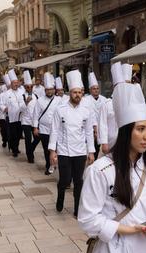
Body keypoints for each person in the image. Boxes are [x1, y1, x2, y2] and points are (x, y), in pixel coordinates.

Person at [78, 81, 146, 253]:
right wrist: (125, 229)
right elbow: (87, 219)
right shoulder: (100, 170)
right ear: (126, 132)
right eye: (140, 129)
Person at [49, 70, 95, 217]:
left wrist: (91, 151)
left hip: (80, 151)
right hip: (64, 150)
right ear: (70, 93)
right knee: (65, 180)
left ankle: (77, 209)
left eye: (80, 92)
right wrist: (52, 151)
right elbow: (54, 130)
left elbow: (89, 133)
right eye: (75, 92)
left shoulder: (86, 110)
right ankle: (60, 194)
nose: (78, 95)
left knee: (79, 182)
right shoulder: (60, 109)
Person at [33, 72, 61, 175]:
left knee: (56, 149)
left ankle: (54, 164)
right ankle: (48, 165)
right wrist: (35, 128)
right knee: (46, 149)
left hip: (57, 129)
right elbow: (35, 115)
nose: (49, 91)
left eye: (51, 89)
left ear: (54, 90)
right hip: (44, 129)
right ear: (45, 90)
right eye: (47, 90)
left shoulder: (59, 100)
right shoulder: (40, 100)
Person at [97, 62, 124, 154]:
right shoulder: (106, 104)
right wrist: (104, 143)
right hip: (110, 142)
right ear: (114, 87)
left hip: (125, 141)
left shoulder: (127, 103)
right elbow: (102, 124)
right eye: (118, 86)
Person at [83, 72, 107, 160]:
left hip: (101, 128)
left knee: (98, 149)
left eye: (97, 88)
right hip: (89, 129)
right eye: (94, 89)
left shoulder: (104, 100)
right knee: (90, 148)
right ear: (90, 90)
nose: (96, 90)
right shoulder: (85, 100)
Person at [0, 69, 24, 157]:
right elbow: (1, 104)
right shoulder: (6, 94)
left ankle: (16, 147)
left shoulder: (22, 92)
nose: (16, 84)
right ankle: (14, 149)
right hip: (10, 118)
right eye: (14, 83)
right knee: (12, 134)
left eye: (17, 82)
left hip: (20, 118)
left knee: (18, 135)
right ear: (11, 84)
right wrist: (4, 108)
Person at [19, 70, 39, 163]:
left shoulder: (36, 96)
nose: (29, 88)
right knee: (28, 138)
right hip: (25, 121)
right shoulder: (22, 96)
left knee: (38, 138)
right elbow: (20, 109)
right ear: (25, 87)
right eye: (28, 87)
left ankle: (30, 150)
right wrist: (26, 102)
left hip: (34, 121)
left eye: (31, 86)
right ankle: (30, 157)